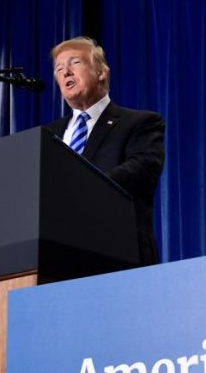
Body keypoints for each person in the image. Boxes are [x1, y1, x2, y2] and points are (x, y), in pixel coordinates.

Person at [45, 36, 165, 265]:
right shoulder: (46, 136)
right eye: (59, 68)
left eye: (75, 63)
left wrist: (80, 190)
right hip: (55, 257)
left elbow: (142, 169)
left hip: (117, 254)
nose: (66, 72)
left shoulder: (140, 123)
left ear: (101, 72)